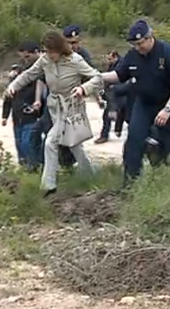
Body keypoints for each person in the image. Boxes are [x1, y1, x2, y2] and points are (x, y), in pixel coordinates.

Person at [6, 31, 102, 194]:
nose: (49, 55)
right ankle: (90, 175)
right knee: (74, 145)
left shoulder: (75, 61)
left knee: (51, 142)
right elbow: (29, 75)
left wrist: (83, 89)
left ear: (60, 49)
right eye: (46, 51)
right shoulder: (45, 60)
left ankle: (48, 186)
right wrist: (13, 86)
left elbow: (97, 78)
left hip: (72, 106)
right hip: (55, 107)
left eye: (52, 51)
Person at [99, 19, 170, 182]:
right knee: (134, 139)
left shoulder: (168, 53)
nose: (138, 47)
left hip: (167, 104)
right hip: (144, 104)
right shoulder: (133, 55)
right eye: (135, 44)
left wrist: (167, 109)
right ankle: (131, 182)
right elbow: (118, 75)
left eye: (141, 43)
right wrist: (97, 77)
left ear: (150, 37)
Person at [2, 42, 42, 167]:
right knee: (19, 143)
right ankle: (25, 166)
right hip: (17, 116)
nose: (25, 59)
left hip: (31, 115)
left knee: (28, 143)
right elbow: (8, 96)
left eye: (27, 56)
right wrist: (5, 115)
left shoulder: (37, 73)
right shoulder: (16, 75)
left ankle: (34, 165)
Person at [96, 50, 127, 143]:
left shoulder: (121, 65)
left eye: (110, 59)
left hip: (121, 93)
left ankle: (108, 134)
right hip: (115, 93)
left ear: (115, 57)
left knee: (114, 114)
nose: (108, 61)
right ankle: (109, 133)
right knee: (110, 115)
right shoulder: (112, 65)